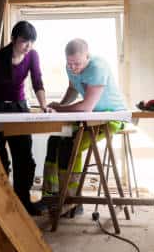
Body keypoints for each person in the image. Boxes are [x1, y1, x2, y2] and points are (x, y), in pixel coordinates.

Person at [41, 38, 127, 210]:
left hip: (111, 118)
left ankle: (72, 200)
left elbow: (86, 107)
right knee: (55, 139)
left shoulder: (98, 68)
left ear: (87, 56)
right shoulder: (70, 66)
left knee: (73, 144)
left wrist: (59, 109)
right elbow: (73, 88)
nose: (73, 67)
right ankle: (51, 195)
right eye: (69, 63)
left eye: (77, 64)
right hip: (89, 117)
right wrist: (61, 106)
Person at [0, 21, 51, 216]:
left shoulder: (32, 55)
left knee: (24, 159)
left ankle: (23, 202)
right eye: (25, 41)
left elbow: (37, 81)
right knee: (0, 159)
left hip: (20, 108)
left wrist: (43, 106)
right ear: (14, 39)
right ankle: (3, 204)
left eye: (31, 42)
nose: (28, 46)